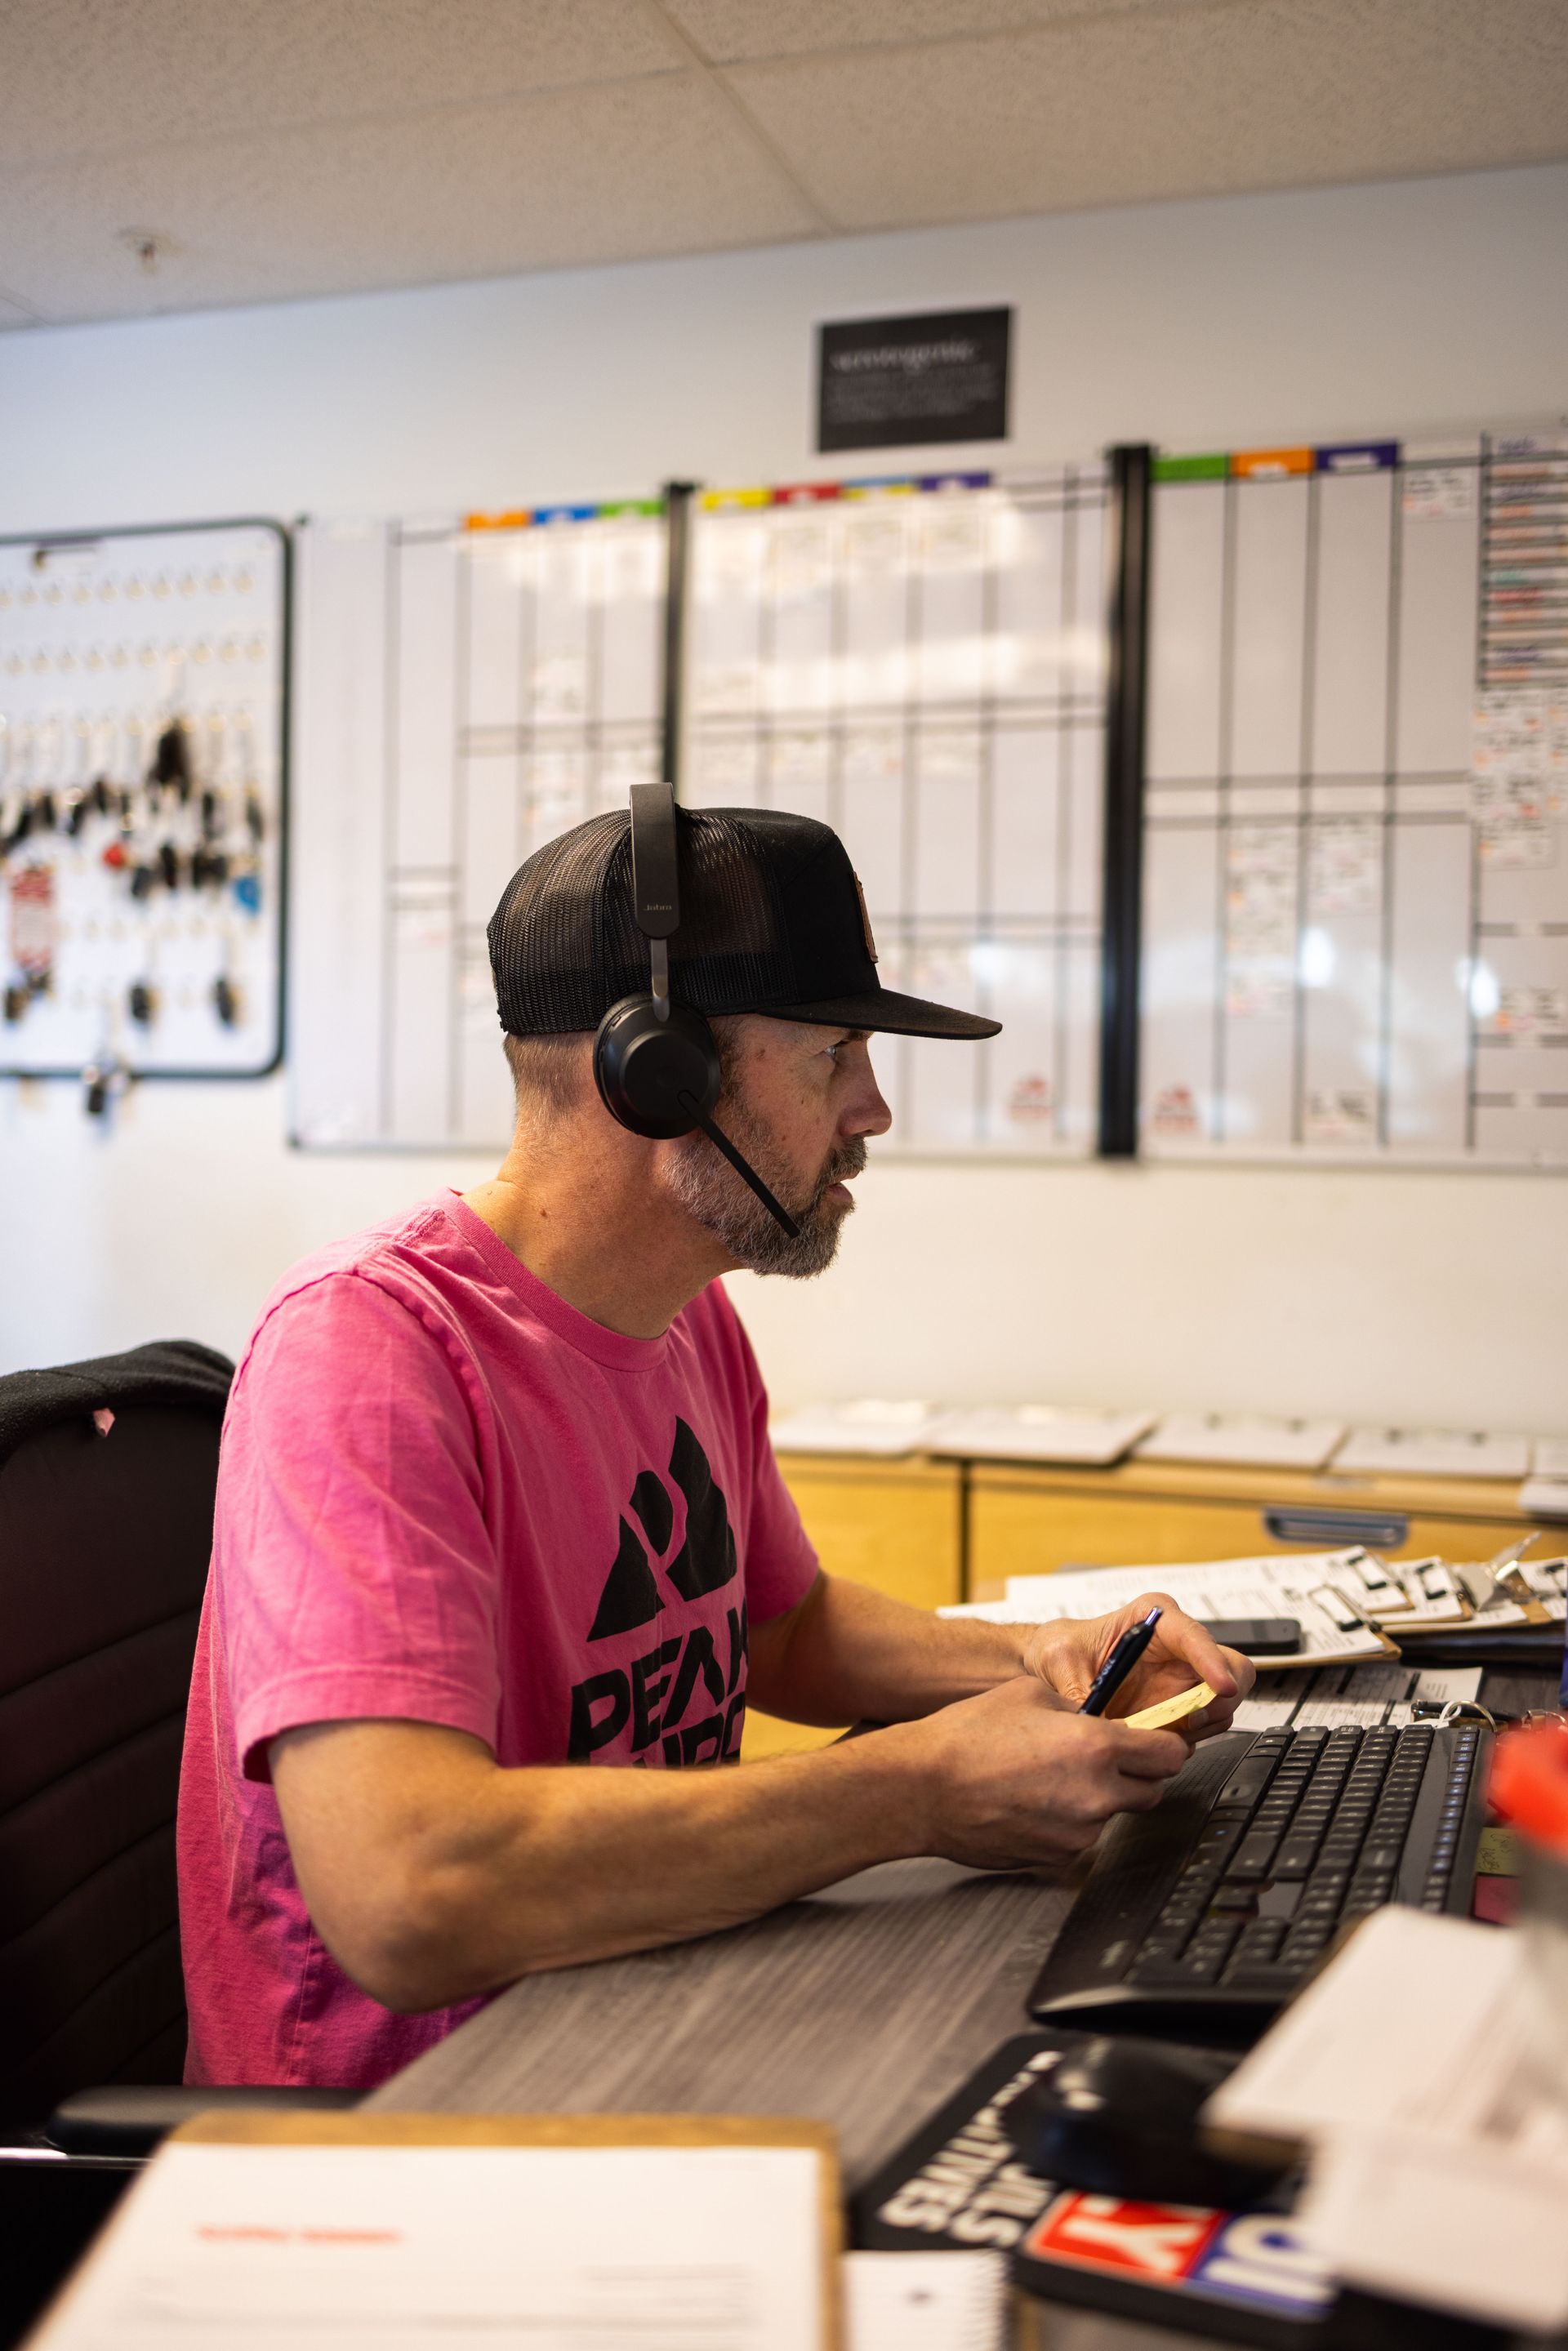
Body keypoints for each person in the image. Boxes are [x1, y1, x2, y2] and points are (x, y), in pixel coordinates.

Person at [177, 802, 1252, 2088]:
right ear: (658, 1075)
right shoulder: (368, 1350)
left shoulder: (689, 1323)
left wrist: (1041, 1656)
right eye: (833, 1055)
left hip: (649, 2008)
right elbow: (410, 1892)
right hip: (415, 2123)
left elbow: (779, 1631)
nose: (874, 1110)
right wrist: (912, 1792)